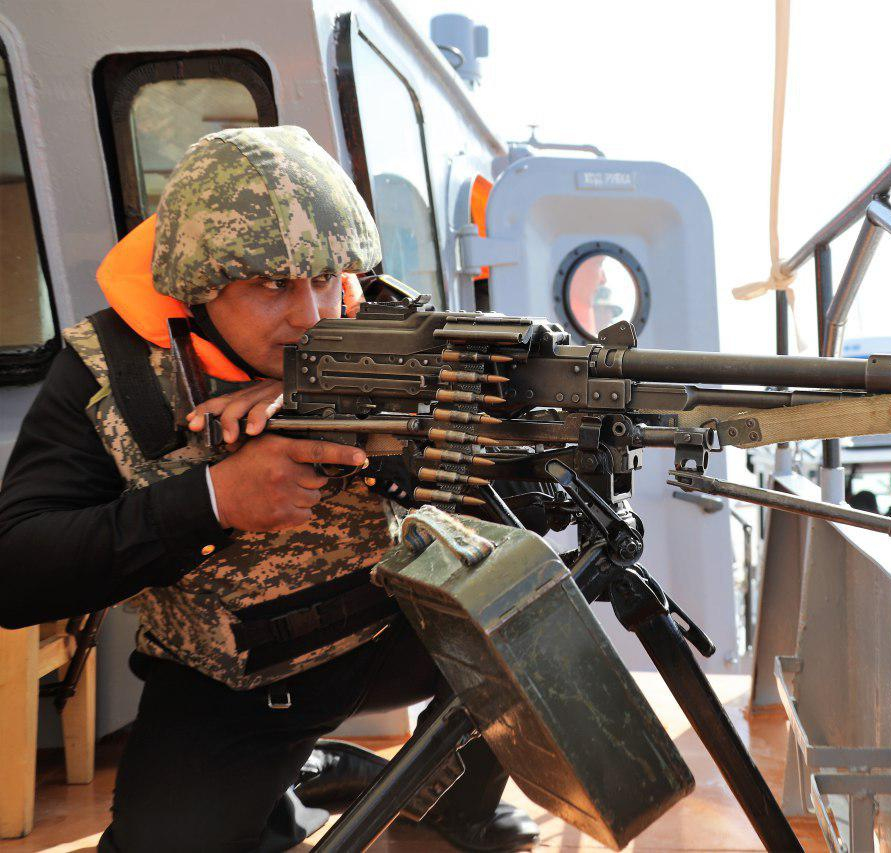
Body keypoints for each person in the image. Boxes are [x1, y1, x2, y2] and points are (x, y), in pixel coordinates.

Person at [0, 126, 537, 852]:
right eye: (271, 284)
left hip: (396, 636)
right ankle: (305, 771)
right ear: (196, 287)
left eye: (324, 279)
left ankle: (449, 804)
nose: (312, 315)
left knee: (535, 610)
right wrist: (215, 498)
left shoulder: (385, 321)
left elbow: (528, 485)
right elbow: (19, 565)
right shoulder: (110, 370)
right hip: (231, 681)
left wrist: (366, 430)